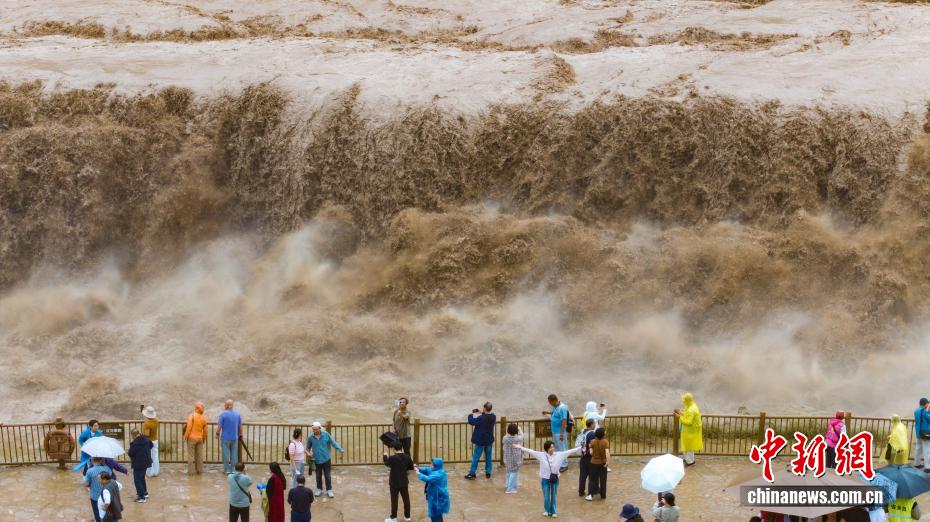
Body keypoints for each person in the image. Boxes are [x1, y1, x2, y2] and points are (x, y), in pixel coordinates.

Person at [514, 440, 583, 518]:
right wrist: (520, 447)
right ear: (546, 448)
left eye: (553, 447)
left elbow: (569, 451)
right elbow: (531, 451)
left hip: (555, 479)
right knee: (546, 496)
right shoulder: (541, 455)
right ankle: (546, 510)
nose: (552, 449)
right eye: (550, 447)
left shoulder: (559, 455)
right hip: (545, 479)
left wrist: (581, 447)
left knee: (553, 496)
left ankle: (553, 511)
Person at [308, 421, 344, 497]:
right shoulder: (311, 437)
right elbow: (307, 448)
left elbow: (333, 442)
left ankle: (329, 489)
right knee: (318, 476)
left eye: (316, 429)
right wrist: (308, 455)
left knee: (327, 476)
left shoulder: (326, 434)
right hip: (316, 460)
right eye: (313, 429)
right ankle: (319, 489)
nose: (315, 431)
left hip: (326, 459)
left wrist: (339, 449)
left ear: (320, 428)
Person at [465, 402, 496, 479]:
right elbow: (487, 416)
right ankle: (488, 472)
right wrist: (481, 412)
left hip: (480, 441)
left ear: (485, 408)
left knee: (476, 457)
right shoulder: (493, 417)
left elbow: (471, 421)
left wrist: (470, 414)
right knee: (488, 457)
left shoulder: (481, 418)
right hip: (489, 440)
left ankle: (472, 473)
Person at [383, 441, 413, 522]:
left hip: (394, 482)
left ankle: (393, 518)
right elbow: (411, 467)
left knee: (394, 500)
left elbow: (386, 463)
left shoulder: (392, 458)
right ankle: (407, 517)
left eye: (392, 448)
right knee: (406, 499)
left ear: (394, 448)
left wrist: (385, 456)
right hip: (404, 481)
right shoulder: (407, 457)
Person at [415, 458, 451, 522]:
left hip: (438, 497)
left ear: (436, 465)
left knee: (436, 514)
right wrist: (418, 468)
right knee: (434, 513)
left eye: (432, 464)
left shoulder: (439, 474)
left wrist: (418, 473)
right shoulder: (436, 469)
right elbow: (427, 469)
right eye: (430, 464)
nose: (430, 465)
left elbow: (428, 479)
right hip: (434, 495)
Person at [543, 394, 572, 471]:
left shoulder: (562, 408)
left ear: (554, 401)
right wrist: (547, 412)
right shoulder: (555, 406)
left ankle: (565, 464)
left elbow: (564, 421)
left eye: (550, 402)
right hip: (555, 431)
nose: (550, 404)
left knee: (562, 448)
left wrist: (562, 434)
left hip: (560, 432)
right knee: (556, 447)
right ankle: (559, 463)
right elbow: (554, 413)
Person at [675, 393, 702, 466]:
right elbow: (688, 415)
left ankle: (690, 461)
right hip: (689, 431)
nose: (683, 402)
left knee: (689, 446)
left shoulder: (691, 409)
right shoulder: (691, 406)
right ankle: (687, 459)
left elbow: (688, 421)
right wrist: (681, 413)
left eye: (684, 400)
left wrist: (679, 417)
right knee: (687, 445)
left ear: (687, 400)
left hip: (691, 431)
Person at [83, 457, 113, 522]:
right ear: (101, 459)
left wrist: (91, 484)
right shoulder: (107, 469)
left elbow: (86, 484)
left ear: (92, 459)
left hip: (95, 497)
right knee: (106, 512)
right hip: (106, 496)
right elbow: (110, 480)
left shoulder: (90, 471)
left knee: (97, 514)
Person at [127, 428, 153, 503]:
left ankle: (141, 497)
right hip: (146, 462)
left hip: (138, 463)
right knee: (142, 478)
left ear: (133, 435)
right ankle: (145, 493)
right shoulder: (146, 439)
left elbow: (131, 453)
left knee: (137, 480)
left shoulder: (135, 443)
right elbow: (151, 445)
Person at [218, 400, 244, 474]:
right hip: (234, 438)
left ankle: (226, 470)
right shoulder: (237, 414)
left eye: (225, 405)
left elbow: (220, 425)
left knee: (226, 455)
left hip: (225, 438)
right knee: (234, 455)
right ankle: (234, 470)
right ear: (232, 406)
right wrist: (240, 434)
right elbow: (240, 425)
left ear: (227, 405)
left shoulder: (223, 414)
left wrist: (217, 433)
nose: (224, 406)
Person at [183, 402, 208, 475]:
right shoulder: (203, 417)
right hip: (200, 438)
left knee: (191, 455)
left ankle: (191, 472)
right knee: (199, 455)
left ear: (196, 408)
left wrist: (185, 436)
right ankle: (199, 471)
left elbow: (189, 427)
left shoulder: (192, 416)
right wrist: (204, 438)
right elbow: (205, 430)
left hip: (191, 438)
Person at [587, 427, 610, 501]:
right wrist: (608, 462)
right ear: (603, 434)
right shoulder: (605, 442)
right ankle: (603, 495)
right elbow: (607, 452)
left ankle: (590, 495)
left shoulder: (592, 441)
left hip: (593, 463)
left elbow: (591, 452)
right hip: (603, 463)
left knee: (592, 479)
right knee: (603, 480)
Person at [576, 418, 596, 497]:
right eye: (594, 423)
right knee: (592, 475)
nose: (595, 425)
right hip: (589, 456)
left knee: (582, 475)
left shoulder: (582, 431)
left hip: (582, 456)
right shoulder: (592, 434)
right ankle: (592, 492)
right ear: (591, 424)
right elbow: (592, 445)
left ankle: (581, 491)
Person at [502, 423, 524, 494]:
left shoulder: (505, 438)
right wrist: (520, 429)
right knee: (514, 473)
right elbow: (522, 436)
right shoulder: (517, 439)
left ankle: (507, 485)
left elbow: (507, 436)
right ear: (516, 431)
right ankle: (510, 489)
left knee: (508, 472)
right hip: (515, 459)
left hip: (507, 458)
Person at [142, 406, 160, 477]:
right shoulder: (156, 420)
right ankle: (156, 471)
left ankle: (150, 472)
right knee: (155, 456)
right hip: (155, 440)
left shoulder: (147, 423)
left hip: (149, 441)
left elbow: (147, 434)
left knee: (149, 456)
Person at [914, 398, 930, 470]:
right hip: (925, 433)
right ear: (925, 404)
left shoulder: (916, 411)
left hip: (918, 432)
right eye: (927, 403)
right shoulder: (924, 411)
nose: (928, 404)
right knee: (927, 450)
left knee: (918, 448)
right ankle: (927, 467)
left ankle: (917, 464)